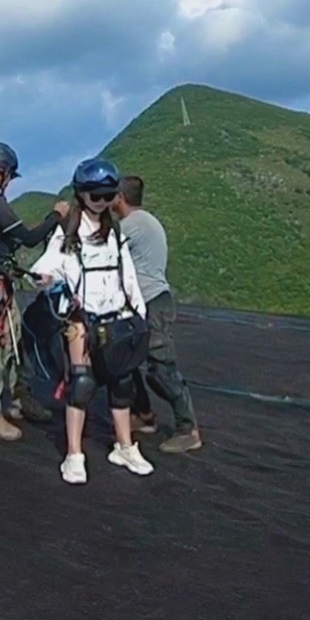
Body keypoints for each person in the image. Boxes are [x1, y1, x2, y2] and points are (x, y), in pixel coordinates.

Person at [31, 158, 154, 484]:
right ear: (82, 194)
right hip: (81, 319)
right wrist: (44, 278)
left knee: (122, 381)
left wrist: (139, 312)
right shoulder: (68, 231)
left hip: (117, 315)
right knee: (82, 383)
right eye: (95, 195)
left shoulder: (113, 232)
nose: (101, 201)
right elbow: (49, 264)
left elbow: (127, 273)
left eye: (107, 195)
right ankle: (74, 454)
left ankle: (125, 446)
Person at [0, 141, 68, 441]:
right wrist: (56, 215)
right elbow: (31, 238)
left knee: (15, 342)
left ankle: (21, 398)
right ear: (4, 172)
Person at [113, 175, 201, 453]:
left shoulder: (132, 225)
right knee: (127, 360)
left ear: (119, 196)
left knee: (161, 366)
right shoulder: (145, 221)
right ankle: (144, 415)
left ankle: (189, 429)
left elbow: (100, 250)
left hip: (152, 302)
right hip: (144, 304)